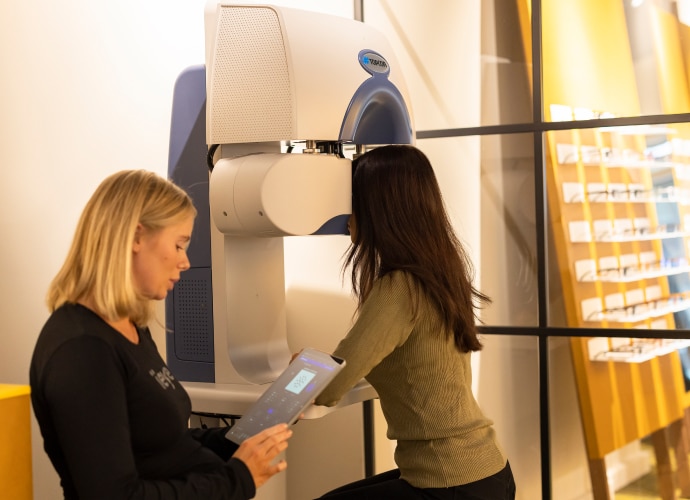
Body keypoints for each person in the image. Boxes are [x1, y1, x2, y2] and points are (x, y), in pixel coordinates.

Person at [30, 169, 292, 500]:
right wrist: (237, 478)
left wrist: (240, 439)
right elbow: (115, 495)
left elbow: (162, 446)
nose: (184, 262)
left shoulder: (129, 328)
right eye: (179, 244)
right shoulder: (83, 351)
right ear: (136, 237)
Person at [313, 145, 516, 499]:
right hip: (485, 473)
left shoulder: (400, 287)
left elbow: (333, 382)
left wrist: (304, 372)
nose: (347, 217)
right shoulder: (439, 274)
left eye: (352, 202)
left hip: (450, 481)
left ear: (378, 209)